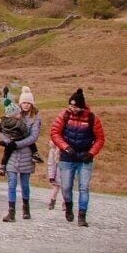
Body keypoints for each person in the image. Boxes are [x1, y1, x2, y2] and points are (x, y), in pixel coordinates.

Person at [49, 87, 106, 226]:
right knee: (66, 186)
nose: (73, 109)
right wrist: (66, 147)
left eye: (75, 106)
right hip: (67, 157)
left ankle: (82, 216)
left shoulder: (92, 118)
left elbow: (100, 139)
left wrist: (91, 153)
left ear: (81, 106)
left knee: (84, 187)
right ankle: (68, 207)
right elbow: (55, 133)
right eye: (71, 105)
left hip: (85, 157)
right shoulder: (64, 116)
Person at [0, 89, 42, 221]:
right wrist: (8, 142)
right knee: (11, 183)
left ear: (32, 104)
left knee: (24, 184)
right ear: (20, 103)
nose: (26, 105)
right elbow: (3, 130)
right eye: (24, 102)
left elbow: (33, 137)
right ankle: (11, 212)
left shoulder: (36, 119)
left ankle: (26, 207)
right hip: (12, 155)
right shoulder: (14, 114)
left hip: (27, 155)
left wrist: (16, 144)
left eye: (29, 103)